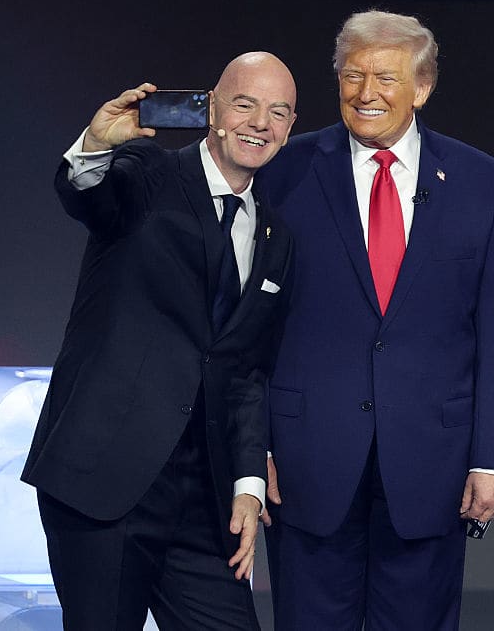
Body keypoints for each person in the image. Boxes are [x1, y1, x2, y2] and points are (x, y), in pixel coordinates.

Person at [258, 10, 494, 630]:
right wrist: (257, 444)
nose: (365, 93)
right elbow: (253, 322)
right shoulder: (288, 169)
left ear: (422, 87)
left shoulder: (481, 181)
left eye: (385, 77)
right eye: (352, 76)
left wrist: (492, 458)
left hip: (433, 458)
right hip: (305, 458)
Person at [22, 51, 298, 630]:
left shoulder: (276, 235)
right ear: (212, 110)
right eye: (245, 104)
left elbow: (247, 370)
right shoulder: (148, 172)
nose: (260, 124)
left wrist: (247, 485)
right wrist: (98, 146)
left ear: (289, 128)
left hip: (204, 501)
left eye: (278, 112)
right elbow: (88, 197)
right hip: (104, 482)